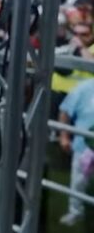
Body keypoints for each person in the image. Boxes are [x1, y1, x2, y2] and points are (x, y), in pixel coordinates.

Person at [58, 78, 94, 226]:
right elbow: (65, 111)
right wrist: (64, 137)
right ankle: (76, 212)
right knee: (79, 182)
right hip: (83, 148)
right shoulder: (84, 87)